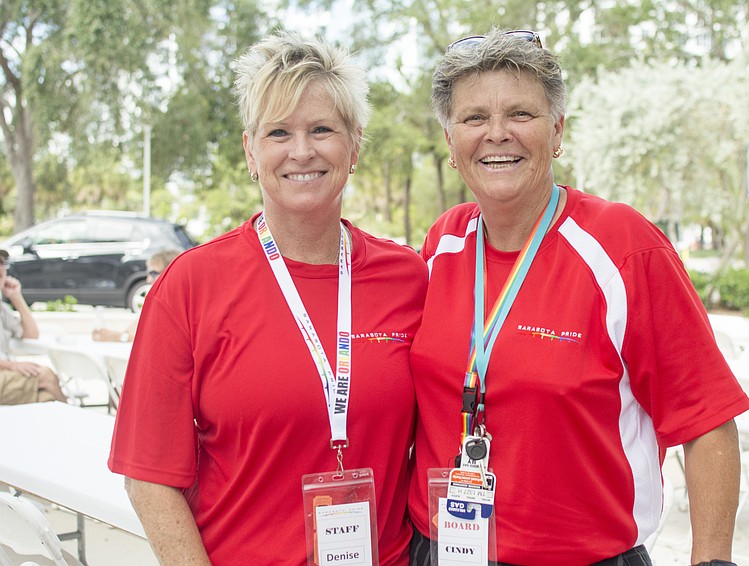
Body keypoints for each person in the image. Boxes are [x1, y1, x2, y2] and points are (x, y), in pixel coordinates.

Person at [407, 29, 749, 566]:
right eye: (474, 118)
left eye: (521, 114)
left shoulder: (623, 246)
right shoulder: (443, 243)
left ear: (557, 131)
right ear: (451, 144)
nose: (497, 134)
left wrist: (713, 560)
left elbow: (706, 420)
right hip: (441, 549)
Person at [108, 30, 428, 565]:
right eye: (279, 132)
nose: (301, 151)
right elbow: (148, 477)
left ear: (354, 145)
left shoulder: (408, 278)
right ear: (250, 151)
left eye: (322, 129)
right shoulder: (190, 285)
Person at [0, 249, 67, 405]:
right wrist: (12, 365)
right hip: (4, 373)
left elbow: (31, 334)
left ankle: (67, 415)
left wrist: (16, 297)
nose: (1, 267)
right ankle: (74, 417)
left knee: (46, 398)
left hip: (6, 374)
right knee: (46, 376)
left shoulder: (2, 309)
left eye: (2, 263)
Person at [91, 249, 181, 342]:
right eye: (148, 274)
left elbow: (153, 338)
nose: (148, 280)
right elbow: (137, 328)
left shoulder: (175, 305)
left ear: (170, 273)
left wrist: (119, 337)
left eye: (153, 273)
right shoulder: (160, 302)